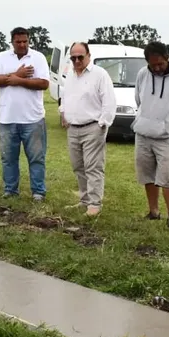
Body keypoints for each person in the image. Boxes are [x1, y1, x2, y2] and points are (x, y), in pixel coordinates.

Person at [0, 27, 50, 201]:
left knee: (36, 158)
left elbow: (44, 83)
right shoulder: (1, 58)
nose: (22, 45)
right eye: (18, 42)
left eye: (25, 41)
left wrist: (19, 80)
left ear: (29, 41)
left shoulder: (38, 58)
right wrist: (16, 74)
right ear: (12, 42)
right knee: (8, 158)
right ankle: (10, 190)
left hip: (33, 118)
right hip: (7, 118)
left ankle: (38, 192)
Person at [58, 42, 116, 216]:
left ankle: (94, 204)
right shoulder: (71, 75)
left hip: (92, 127)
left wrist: (102, 124)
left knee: (93, 166)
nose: (76, 61)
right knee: (78, 166)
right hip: (73, 128)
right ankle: (84, 200)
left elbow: (109, 101)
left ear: (88, 55)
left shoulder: (100, 74)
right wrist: (63, 113)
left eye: (80, 57)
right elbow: (66, 96)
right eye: (73, 57)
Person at [132, 40, 169, 228]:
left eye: (160, 63)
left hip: (166, 136)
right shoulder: (143, 74)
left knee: (167, 176)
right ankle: (153, 211)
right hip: (143, 132)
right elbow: (138, 98)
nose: (157, 68)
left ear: (167, 58)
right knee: (147, 174)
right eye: (153, 65)